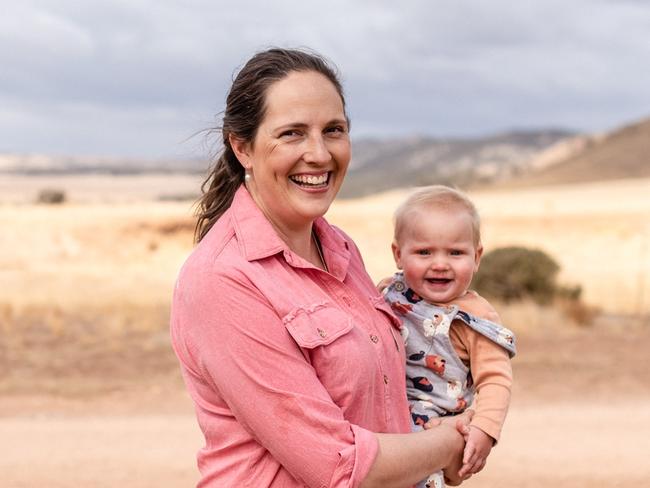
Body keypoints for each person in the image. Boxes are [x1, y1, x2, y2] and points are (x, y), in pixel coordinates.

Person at [170, 47, 490, 488]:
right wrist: (458, 439)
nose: (319, 154)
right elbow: (338, 466)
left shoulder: (339, 246)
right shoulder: (223, 279)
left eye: (333, 130)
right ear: (242, 147)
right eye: (293, 134)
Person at [383, 185, 516, 488]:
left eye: (456, 253)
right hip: (382, 423)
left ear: (477, 256)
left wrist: (484, 429)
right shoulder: (389, 291)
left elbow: (495, 380)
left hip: (432, 433)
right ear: (398, 254)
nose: (440, 264)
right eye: (424, 252)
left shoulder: (475, 320)